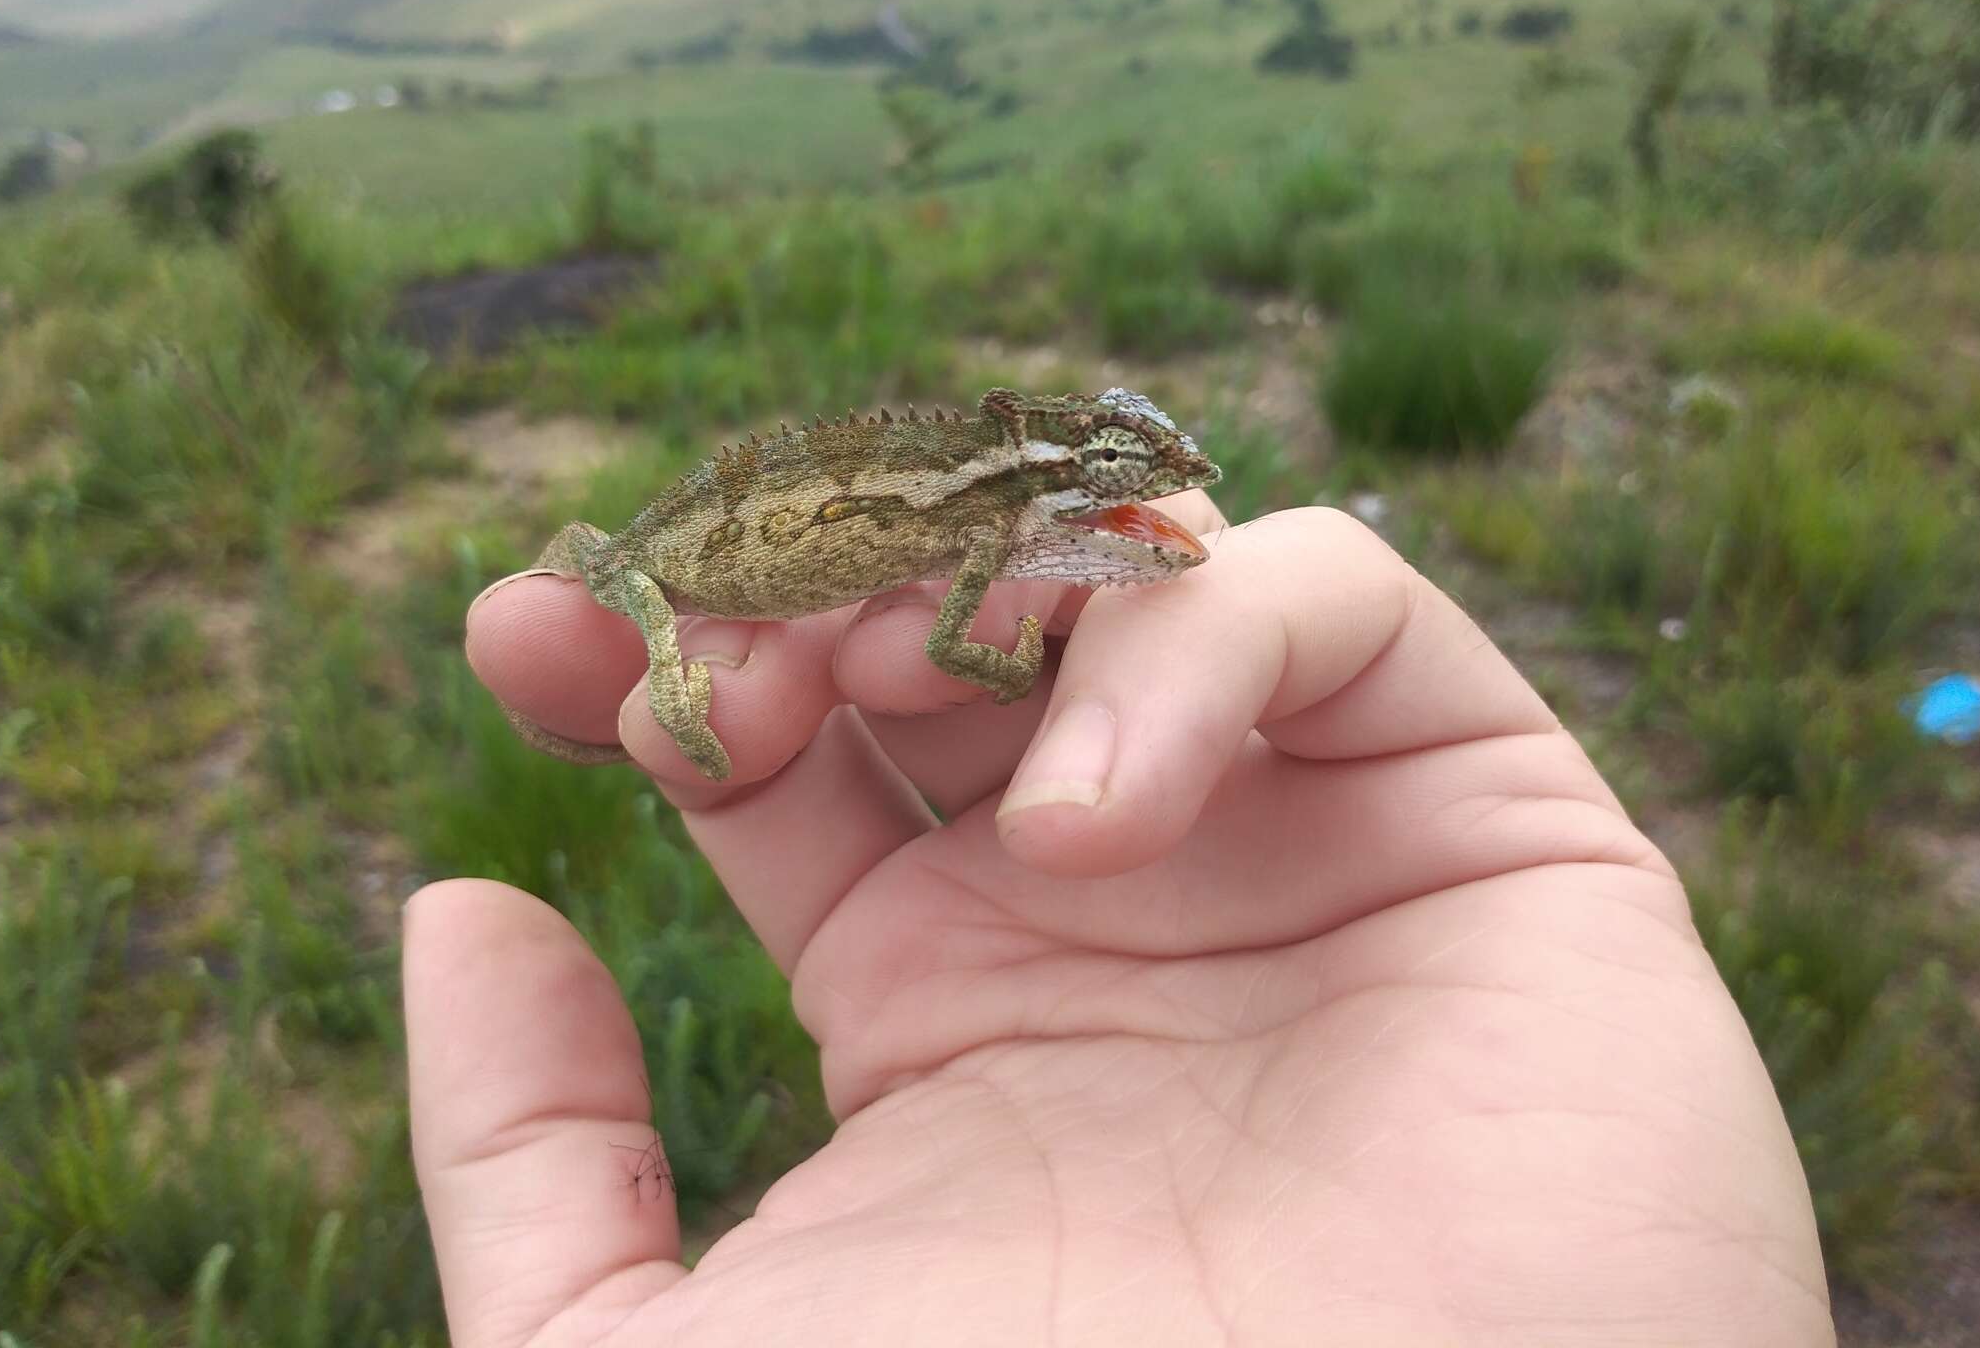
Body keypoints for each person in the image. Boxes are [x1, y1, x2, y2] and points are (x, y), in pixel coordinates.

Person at [409, 496, 1834, 1346]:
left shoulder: (989, 528)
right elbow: (961, 636)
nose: (1148, 493)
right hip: (723, 572)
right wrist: (976, 651)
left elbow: (969, 630)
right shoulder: (975, 529)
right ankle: (639, 648)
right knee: (676, 640)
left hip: (736, 580)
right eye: (1099, 480)